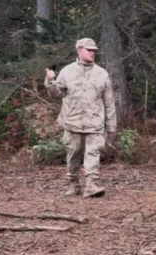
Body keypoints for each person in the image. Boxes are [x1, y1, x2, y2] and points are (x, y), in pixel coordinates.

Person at [44, 37, 117, 198]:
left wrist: (111, 126)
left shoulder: (102, 73)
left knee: (93, 153)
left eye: (94, 50)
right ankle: (74, 184)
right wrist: (50, 81)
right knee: (73, 153)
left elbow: (109, 102)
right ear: (79, 50)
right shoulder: (67, 71)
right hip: (72, 122)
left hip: (95, 123)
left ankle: (91, 185)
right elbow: (56, 94)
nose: (92, 53)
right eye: (89, 50)